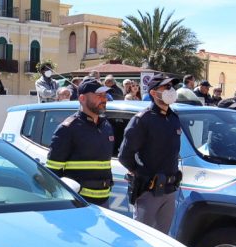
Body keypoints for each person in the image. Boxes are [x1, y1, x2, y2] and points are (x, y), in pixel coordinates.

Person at [118, 75, 183, 233]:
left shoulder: (173, 118)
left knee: (163, 238)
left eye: (172, 87)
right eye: (166, 87)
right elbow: (124, 155)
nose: (171, 91)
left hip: (169, 189)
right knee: (143, 238)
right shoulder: (143, 120)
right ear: (154, 93)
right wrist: (141, 174)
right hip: (149, 191)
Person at [46, 79, 115, 206]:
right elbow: (52, 172)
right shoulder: (68, 129)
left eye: (105, 95)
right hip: (79, 203)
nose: (104, 99)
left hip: (105, 200)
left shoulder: (106, 126)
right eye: (99, 95)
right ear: (82, 98)